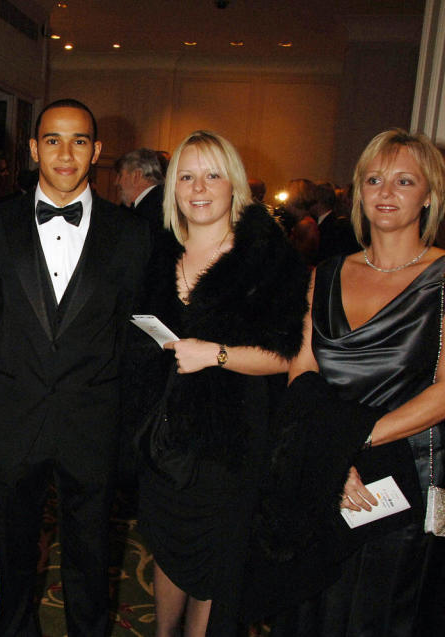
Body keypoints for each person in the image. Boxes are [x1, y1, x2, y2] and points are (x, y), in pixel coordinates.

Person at [275, 128, 445, 636]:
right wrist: (328, 456)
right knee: (313, 608)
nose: (386, 192)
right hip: (329, 470)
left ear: (430, 195)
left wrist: (346, 443)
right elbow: (302, 370)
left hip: (406, 479)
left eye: (404, 181)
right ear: (359, 191)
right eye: (374, 179)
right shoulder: (322, 273)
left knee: (380, 616)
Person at [0, 99, 151, 636]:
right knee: (13, 550)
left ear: (96, 151)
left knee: (91, 554)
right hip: (16, 414)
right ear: (33, 148)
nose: (65, 153)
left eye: (78, 141)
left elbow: (135, 332)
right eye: (52, 140)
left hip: (93, 417)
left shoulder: (132, 234)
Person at [137, 130, 308, 636]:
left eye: (213, 174)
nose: (199, 187)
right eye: (186, 176)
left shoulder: (267, 259)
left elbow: (289, 356)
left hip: (231, 444)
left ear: (234, 185)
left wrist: (217, 354)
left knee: (215, 569)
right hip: (162, 441)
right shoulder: (153, 252)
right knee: (167, 551)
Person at [114, 148, 165, 224]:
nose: (116, 182)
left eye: (120, 175)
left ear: (136, 176)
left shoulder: (150, 212)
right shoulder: (159, 201)